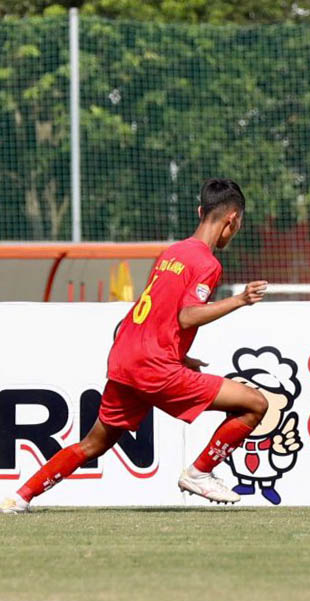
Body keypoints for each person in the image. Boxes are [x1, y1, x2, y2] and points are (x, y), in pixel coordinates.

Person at [2, 178, 269, 514]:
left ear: (200, 211)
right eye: (239, 224)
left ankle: (19, 497)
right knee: (254, 404)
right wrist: (241, 299)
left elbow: (152, 315)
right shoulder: (207, 264)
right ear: (232, 220)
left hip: (128, 358)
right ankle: (200, 473)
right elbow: (186, 317)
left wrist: (180, 355)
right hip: (154, 367)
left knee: (93, 443)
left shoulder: (172, 253)